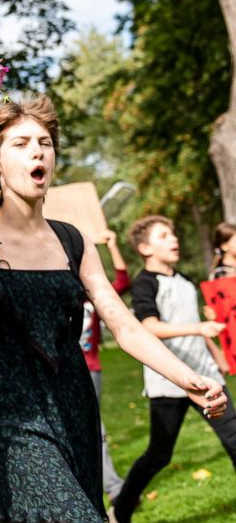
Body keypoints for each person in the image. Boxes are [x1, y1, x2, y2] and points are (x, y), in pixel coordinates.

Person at [0, 95, 228, 523]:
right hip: (7, 414)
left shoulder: (73, 241)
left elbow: (125, 326)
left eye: (44, 142)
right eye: (21, 144)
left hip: (72, 404)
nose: (37, 151)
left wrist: (186, 378)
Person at [108, 215, 236, 523]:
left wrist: (216, 355)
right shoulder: (144, 283)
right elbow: (149, 327)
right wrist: (198, 327)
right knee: (158, 455)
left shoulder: (186, 282)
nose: (174, 239)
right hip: (169, 383)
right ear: (145, 248)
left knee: (234, 439)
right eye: (164, 236)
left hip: (207, 378)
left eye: (174, 233)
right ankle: (119, 511)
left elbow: (199, 330)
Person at [82, 229, 129, 503]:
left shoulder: (94, 299)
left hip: (90, 368)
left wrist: (112, 245)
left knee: (95, 428)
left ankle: (113, 488)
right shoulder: (59, 296)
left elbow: (122, 281)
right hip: (60, 373)